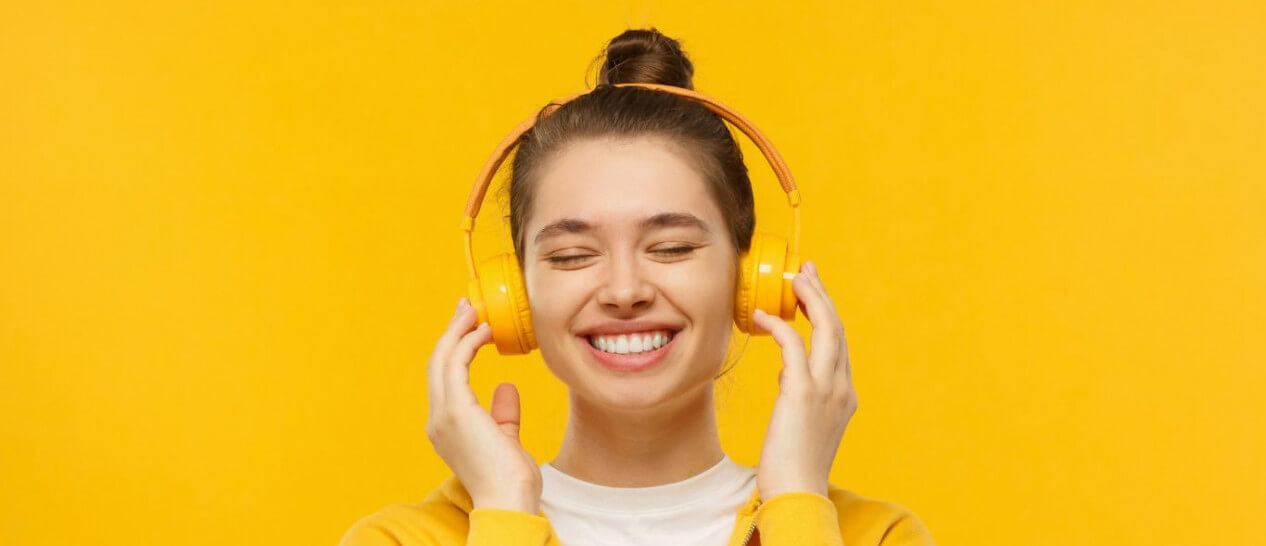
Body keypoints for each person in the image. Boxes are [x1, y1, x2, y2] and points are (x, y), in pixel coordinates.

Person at [339, 27, 934, 546]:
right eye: (573, 255)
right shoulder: (401, 539)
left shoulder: (875, 536)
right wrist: (501, 513)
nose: (624, 290)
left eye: (672, 247)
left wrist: (799, 506)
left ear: (749, 277)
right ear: (514, 295)